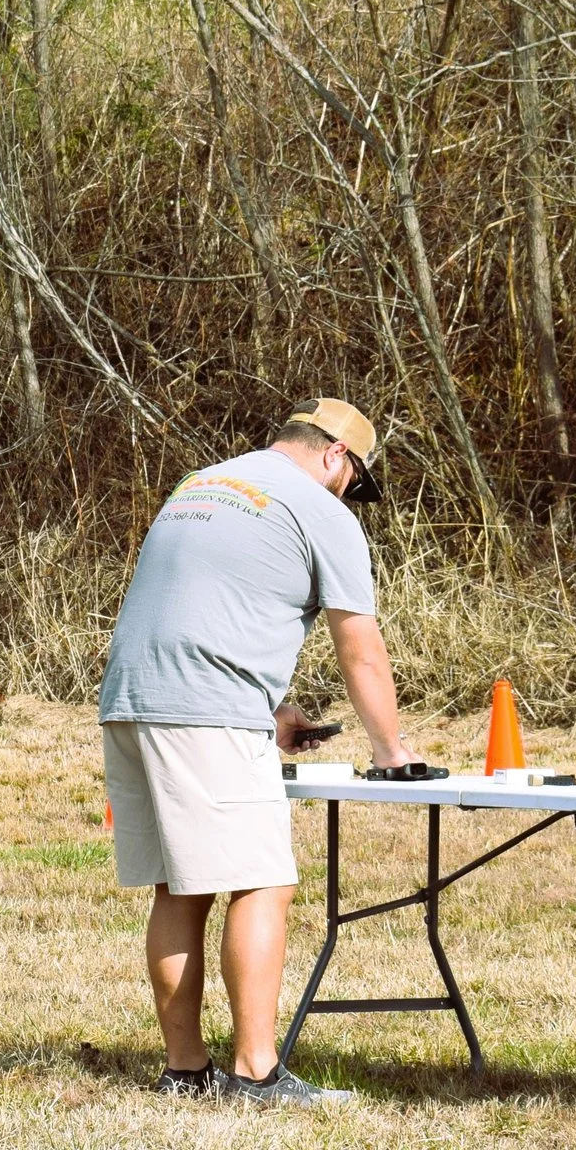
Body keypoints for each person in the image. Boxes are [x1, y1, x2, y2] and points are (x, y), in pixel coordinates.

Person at [96, 398, 421, 1107]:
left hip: (129, 698)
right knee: (262, 882)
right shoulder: (319, 508)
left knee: (179, 887)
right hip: (204, 712)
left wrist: (266, 713)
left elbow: (193, 609)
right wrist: (392, 750)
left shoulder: (201, 484)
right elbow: (359, 646)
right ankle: (254, 1073)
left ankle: (185, 1072)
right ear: (336, 455)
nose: (350, 499)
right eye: (353, 481)